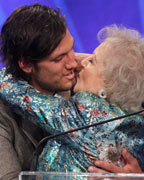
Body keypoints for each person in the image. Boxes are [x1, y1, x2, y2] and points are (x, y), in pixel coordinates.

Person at [0, 3, 142, 179]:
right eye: (59, 58)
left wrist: (137, 176)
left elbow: (114, 71)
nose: (74, 63)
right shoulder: (3, 114)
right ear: (27, 64)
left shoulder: (86, 95)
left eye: (71, 49)